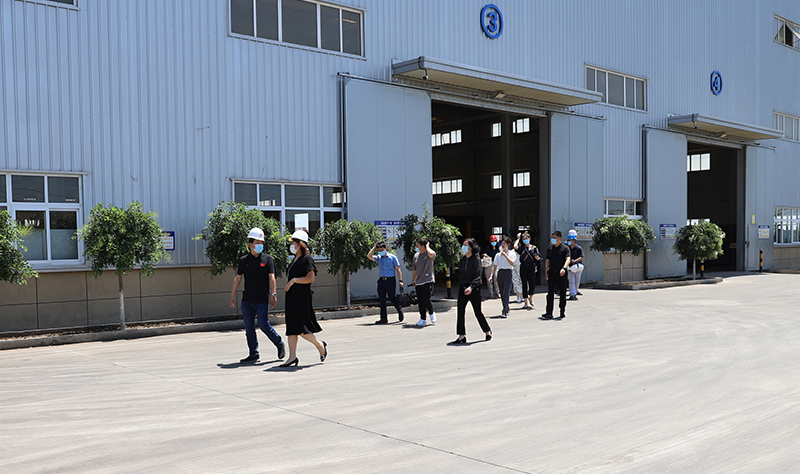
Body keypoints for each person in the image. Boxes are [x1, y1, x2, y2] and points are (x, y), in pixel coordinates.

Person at [229, 228, 285, 363]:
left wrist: (273, 294)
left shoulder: (268, 259)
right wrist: (232, 295)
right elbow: (238, 278)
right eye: (257, 242)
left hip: (262, 299)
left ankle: (279, 343)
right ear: (250, 245)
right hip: (247, 300)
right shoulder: (244, 260)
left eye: (262, 242)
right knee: (249, 328)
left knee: (264, 325)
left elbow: (272, 277)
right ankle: (253, 353)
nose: (260, 244)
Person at [280, 230, 327, 367]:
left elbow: (310, 278)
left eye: (294, 242)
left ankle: (320, 346)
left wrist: (294, 280)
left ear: (300, 244)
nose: (291, 245)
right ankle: (292, 357)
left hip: (301, 298)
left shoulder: (307, 259)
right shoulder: (294, 259)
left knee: (301, 328)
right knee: (291, 328)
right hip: (291, 297)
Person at [451, 238, 492, 344]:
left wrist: (471, 287)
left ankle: (487, 331)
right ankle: (461, 336)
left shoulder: (476, 259)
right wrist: (464, 286)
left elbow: (478, 276)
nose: (463, 247)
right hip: (463, 287)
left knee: (477, 311)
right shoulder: (463, 259)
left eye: (465, 245)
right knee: (460, 311)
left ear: (470, 247)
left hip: (474, 288)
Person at [367, 241, 405, 324]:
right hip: (381, 281)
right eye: (379, 250)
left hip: (390, 280)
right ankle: (383, 318)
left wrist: (400, 280)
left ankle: (399, 309)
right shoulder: (379, 257)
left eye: (382, 250)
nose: (380, 252)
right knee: (382, 300)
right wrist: (374, 247)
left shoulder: (392, 257)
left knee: (392, 298)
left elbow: (398, 269)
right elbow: (369, 256)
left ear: (386, 248)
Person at [543, 230, 571, 320]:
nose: (553, 239)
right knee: (550, 293)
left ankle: (562, 311)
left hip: (561, 273)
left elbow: (568, 259)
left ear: (559, 238)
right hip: (552, 272)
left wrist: (564, 268)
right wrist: (546, 271)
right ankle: (549, 312)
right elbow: (547, 260)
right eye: (552, 238)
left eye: (554, 238)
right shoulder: (550, 248)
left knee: (562, 293)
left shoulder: (565, 248)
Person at [411, 238, 437, 326]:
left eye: (417, 246)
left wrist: (427, 246)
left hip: (428, 280)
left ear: (423, 246)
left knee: (426, 298)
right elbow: (414, 270)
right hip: (419, 281)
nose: (416, 247)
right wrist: (413, 280)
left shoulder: (428, 254)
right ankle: (423, 319)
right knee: (420, 301)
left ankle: (432, 313)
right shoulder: (416, 255)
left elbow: (432, 254)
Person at [491, 237, 517, 318]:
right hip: (500, 273)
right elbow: (494, 266)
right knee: (502, 292)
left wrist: (505, 256)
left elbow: (512, 263)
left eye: (504, 244)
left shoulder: (511, 253)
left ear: (508, 245)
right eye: (502, 244)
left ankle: (504, 310)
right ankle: (506, 306)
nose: (502, 245)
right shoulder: (498, 255)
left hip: (508, 272)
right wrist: (491, 275)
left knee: (506, 291)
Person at [514, 232, 541, 309]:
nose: (525, 240)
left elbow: (539, 258)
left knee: (532, 284)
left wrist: (537, 258)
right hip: (523, 267)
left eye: (526, 238)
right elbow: (515, 246)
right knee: (524, 284)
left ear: (529, 239)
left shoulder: (534, 248)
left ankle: (531, 297)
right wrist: (518, 239)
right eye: (523, 239)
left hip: (531, 267)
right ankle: (526, 302)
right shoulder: (522, 248)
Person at [567, 230, 584, 301]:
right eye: (568, 240)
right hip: (570, 267)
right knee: (571, 281)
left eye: (570, 240)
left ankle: (575, 290)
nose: (569, 242)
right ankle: (572, 294)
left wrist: (575, 260)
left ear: (574, 241)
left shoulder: (579, 248)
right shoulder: (567, 248)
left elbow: (582, 257)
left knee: (577, 281)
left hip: (577, 267)